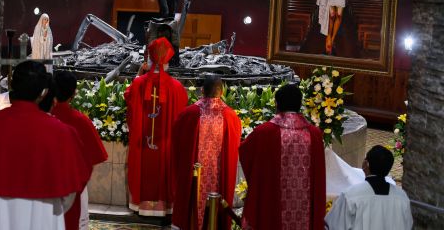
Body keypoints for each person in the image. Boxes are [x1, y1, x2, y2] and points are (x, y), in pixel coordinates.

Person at [0, 61, 92, 230]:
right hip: (46, 214)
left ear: (13, 86)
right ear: (43, 93)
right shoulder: (63, 133)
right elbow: (73, 189)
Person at [239, 84, 326, 230]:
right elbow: (319, 179)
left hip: (272, 210)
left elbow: (245, 153)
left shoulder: (264, 132)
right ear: (300, 105)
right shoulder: (314, 135)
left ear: (277, 104)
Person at [125, 37, 188, 216]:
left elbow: (129, 97)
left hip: (142, 144)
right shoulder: (176, 87)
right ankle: (163, 206)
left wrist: (139, 72)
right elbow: (182, 113)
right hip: (165, 145)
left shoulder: (139, 83)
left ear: (149, 58)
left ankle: (141, 205)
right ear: (168, 60)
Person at [171, 75, 241, 230]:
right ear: (222, 92)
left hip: (194, 175)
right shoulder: (231, 116)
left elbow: (176, 145)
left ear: (202, 91)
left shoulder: (188, 114)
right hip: (218, 178)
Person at [51, 70, 108, 230]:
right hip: (75, 185)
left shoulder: (44, 117)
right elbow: (96, 156)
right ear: (74, 93)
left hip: (42, 184)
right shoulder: (80, 121)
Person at [325, 145, 413, 229]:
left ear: (366, 164)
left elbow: (334, 225)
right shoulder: (402, 197)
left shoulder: (351, 195)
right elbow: (408, 225)